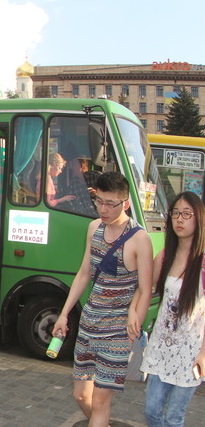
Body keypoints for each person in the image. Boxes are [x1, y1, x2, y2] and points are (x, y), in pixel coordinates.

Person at [52, 172, 154, 427]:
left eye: (111, 203)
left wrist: (135, 316)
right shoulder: (93, 227)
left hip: (117, 332)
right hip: (89, 323)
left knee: (100, 403)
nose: (104, 209)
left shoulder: (139, 238)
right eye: (99, 201)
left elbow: (146, 287)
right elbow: (84, 272)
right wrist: (64, 314)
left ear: (126, 204)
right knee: (80, 396)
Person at [140, 192, 205, 427]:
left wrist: (204, 354)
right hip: (161, 347)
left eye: (187, 214)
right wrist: (132, 317)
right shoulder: (166, 255)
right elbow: (144, 290)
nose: (180, 219)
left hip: (191, 352)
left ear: (198, 219)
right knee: (151, 411)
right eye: (176, 213)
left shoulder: (203, 261)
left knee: (174, 417)